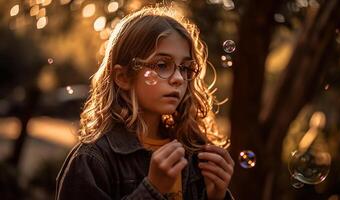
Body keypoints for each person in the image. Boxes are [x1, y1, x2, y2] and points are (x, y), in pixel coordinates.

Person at [55, 4, 234, 200]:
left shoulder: (194, 154)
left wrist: (216, 196)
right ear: (123, 77)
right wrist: (152, 190)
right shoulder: (92, 161)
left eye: (184, 68)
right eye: (162, 65)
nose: (179, 78)